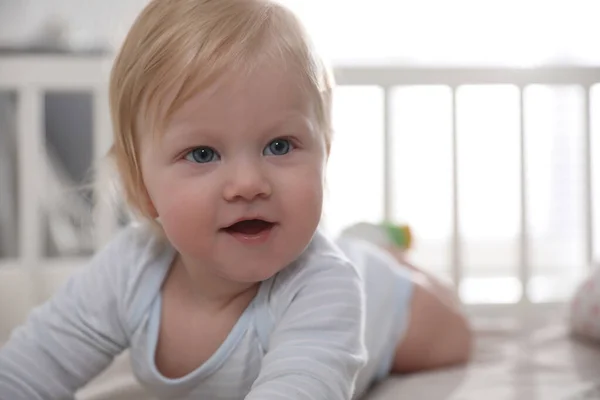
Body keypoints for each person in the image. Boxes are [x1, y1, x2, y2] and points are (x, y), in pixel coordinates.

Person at [0, 1, 472, 399]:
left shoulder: (322, 287)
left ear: (324, 153)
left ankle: (387, 255)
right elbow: (27, 370)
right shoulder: (128, 273)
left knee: (454, 336)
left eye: (280, 146)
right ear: (141, 186)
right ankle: (368, 241)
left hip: (384, 297)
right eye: (203, 154)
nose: (248, 183)